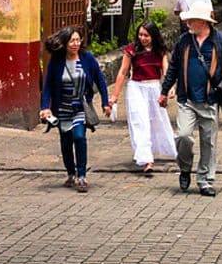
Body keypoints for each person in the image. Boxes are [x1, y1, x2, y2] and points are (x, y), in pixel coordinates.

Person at [159, 1, 222, 197]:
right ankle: (185, 167)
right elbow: (174, 68)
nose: (188, 23)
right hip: (187, 99)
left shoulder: (221, 41)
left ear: (202, 22)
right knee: (184, 136)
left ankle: (205, 180)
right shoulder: (184, 41)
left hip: (210, 100)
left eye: (191, 20)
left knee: (208, 142)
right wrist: (164, 90)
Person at [40, 26, 110, 192]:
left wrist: (105, 102)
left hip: (79, 107)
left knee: (79, 137)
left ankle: (82, 175)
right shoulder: (57, 61)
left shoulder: (87, 58)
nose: (75, 44)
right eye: (72, 41)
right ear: (65, 43)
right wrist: (45, 107)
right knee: (65, 142)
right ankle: (71, 173)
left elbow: (100, 80)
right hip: (62, 109)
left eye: (78, 40)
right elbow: (48, 86)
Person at [112, 21, 175, 174]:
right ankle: (146, 158)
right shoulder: (131, 50)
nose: (143, 38)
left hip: (154, 87)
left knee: (158, 119)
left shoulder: (160, 51)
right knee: (140, 121)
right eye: (140, 35)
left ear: (153, 36)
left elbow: (166, 71)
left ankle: (167, 148)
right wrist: (114, 95)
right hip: (136, 87)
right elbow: (122, 72)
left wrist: (170, 88)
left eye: (146, 35)